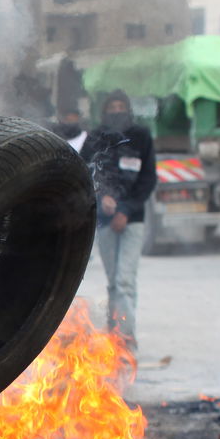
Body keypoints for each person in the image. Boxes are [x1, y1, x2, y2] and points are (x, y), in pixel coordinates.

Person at [80, 89, 157, 350]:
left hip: (132, 219)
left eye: (120, 107)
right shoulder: (96, 137)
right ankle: (114, 334)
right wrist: (101, 197)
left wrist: (125, 210)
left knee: (125, 281)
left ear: (128, 109)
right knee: (114, 282)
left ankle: (126, 341)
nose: (116, 111)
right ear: (104, 111)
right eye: (111, 107)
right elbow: (83, 172)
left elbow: (148, 179)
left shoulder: (141, 137)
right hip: (104, 221)